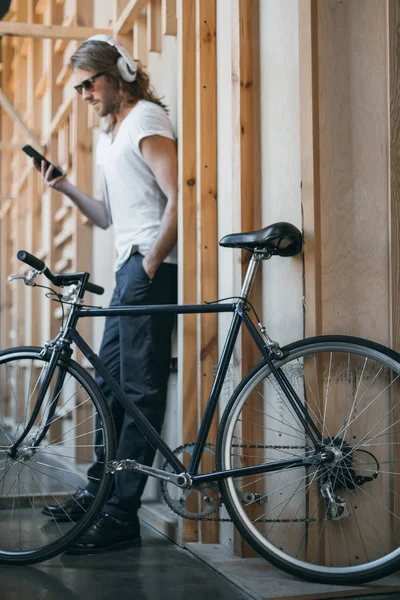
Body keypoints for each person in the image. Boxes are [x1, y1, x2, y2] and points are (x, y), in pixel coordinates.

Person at [34, 35, 178, 554]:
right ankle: (98, 497)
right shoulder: (111, 135)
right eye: (79, 87)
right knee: (107, 386)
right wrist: (66, 187)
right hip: (127, 269)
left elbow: (177, 197)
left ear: (118, 73)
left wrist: (152, 260)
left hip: (146, 269)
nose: (84, 94)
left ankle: (122, 516)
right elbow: (107, 216)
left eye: (88, 82)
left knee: (137, 390)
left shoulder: (144, 120)